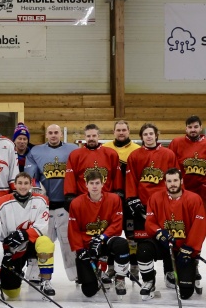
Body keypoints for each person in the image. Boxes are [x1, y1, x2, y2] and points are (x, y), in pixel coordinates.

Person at [125, 123, 179, 287]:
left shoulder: (168, 154)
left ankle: (170, 271)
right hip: (142, 206)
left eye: (151, 133)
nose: (148, 136)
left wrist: (176, 198)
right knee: (144, 243)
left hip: (164, 205)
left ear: (156, 135)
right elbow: (131, 178)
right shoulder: (134, 155)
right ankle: (148, 276)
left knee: (169, 238)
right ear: (141, 137)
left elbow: (175, 178)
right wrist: (132, 199)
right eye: (145, 134)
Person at [139, 168, 206, 300]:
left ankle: (187, 271)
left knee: (185, 293)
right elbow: (149, 222)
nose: (173, 184)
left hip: (184, 248)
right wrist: (159, 232)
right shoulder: (155, 198)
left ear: (181, 181)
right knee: (144, 249)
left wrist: (190, 248)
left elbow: (199, 227)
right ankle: (149, 281)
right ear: (165, 183)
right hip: (165, 245)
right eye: (169, 181)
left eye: (175, 180)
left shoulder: (194, 199)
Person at [24, 124, 78, 283]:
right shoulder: (36, 151)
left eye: (56, 132)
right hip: (45, 207)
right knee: (41, 241)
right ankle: (35, 274)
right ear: (46, 135)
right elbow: (31, 177)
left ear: (61, 134)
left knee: (69, 242)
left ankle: (77, 275)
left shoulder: (73, 149)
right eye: (50, 133)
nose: (53, 135)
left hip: (66, 205)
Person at [67, 171, 130, 298]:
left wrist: (102, 237)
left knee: (122, 244)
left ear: (103, 184)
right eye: (91, 183)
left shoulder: (114, 199)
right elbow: (73, 230)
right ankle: (98, 272)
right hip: (87, 246)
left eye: (97, 183)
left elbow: (117, 225)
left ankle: (120, 278)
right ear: (86, 185)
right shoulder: (76, 203)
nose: (94, 186)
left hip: (106, 241)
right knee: (89, 291)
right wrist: (80, 250)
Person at [0, 172, 55, 298]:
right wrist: (5, 251)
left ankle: (45, 281)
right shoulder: (2, 202)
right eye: (20, 183)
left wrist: (24, 235)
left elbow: (42, 227)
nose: (23, 186)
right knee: (11, 293)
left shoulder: (41, 200)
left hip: (32, 244)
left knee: (45, 242)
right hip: (14, 249)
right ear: (15, 185)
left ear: (30, 185)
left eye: (26, 183)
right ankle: (17, 274)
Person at [102, 121, 141, 283]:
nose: (121, 133)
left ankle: (133, 266)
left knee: (131, 236)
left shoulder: (137, 150)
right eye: (118, 130)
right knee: (112, 234)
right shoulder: (105, 149)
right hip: (111, 201)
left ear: (129, 131)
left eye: (124, 130)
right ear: (113, 132)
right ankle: (111, 267)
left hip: (130, 201)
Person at [168, 115, 206, 213]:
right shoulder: (176, 143)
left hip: (204, 192)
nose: (193, 130)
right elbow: (170, 167)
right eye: (190, 127)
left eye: (195, 127)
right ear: (186, 128)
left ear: (200, 127)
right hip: (182, 190)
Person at [65, 123, 121, 205]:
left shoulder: (111, 154)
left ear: (99, 136)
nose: (91, 138)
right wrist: (70, 194)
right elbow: (70, 177)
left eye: (94, 136)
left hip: (106, 201)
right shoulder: (75, 155)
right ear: (85, 137)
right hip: (83, 200)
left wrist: (118, 191)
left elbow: (117, 176)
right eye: (88, 136)